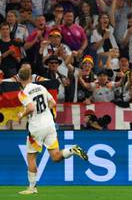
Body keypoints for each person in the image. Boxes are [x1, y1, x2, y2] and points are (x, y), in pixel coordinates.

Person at [16, 66, 88, 195]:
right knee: (55, 156)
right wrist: (46, 113)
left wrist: (22, 114)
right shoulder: (41, 87)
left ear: (19, 78)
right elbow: (53, 103)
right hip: (50, 125)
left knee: (31, 157)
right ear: (30, 76)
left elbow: (31, 107)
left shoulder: (22, 93)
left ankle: (32, 188)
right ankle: (72, 149)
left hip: (36, 128)